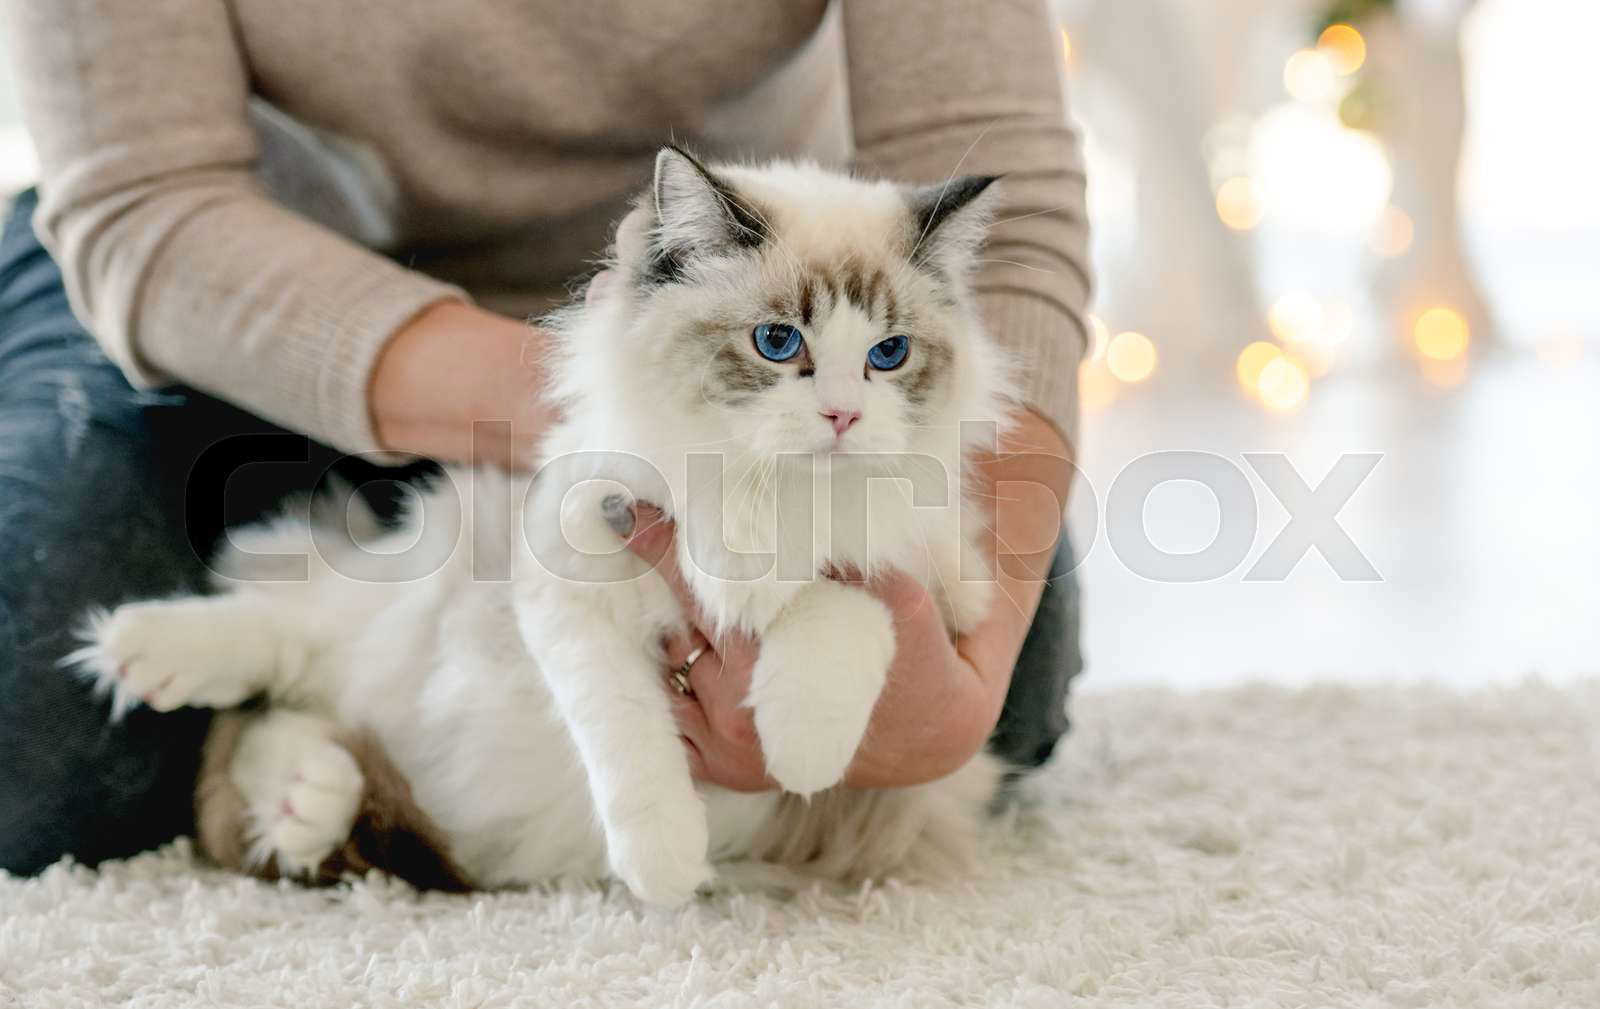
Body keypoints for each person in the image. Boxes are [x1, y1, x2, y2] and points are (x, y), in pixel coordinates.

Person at [0, 0, 1088, 876]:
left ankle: (350, 734)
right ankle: (302, 669)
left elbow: (1012, 217)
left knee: (1000, 691)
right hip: (250, 289)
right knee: (35, 733)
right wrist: (616, 428)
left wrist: (956, 692)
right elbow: (150, 204)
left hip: (765, 274)